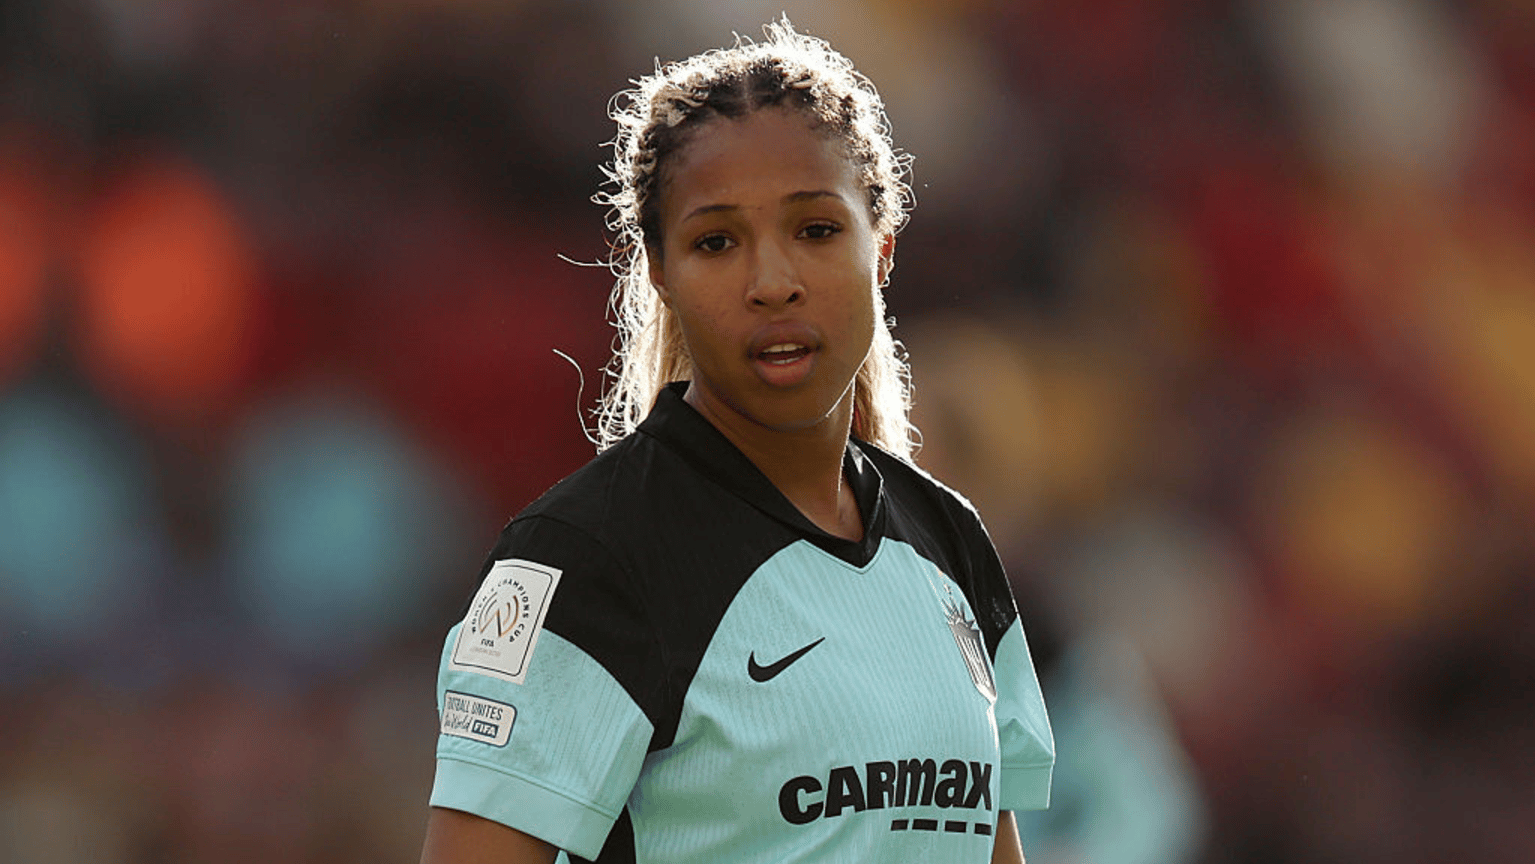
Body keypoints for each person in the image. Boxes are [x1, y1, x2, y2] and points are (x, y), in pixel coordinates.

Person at [419, 17, 1054, 864]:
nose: (772, 282)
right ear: (659, 272)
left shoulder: (950, 545)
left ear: (883, 249)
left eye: (816, 230)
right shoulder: (589, 559)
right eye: (716, 242)